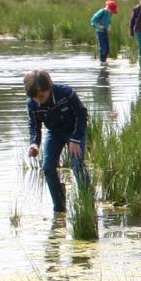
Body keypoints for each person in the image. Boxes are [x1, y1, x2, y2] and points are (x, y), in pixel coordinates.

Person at [24, 70, 90, 215]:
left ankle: (88, 201)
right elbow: (35, 127)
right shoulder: (32, 104)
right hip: (54, 133)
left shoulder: (66, 93)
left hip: (74, 130)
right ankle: (59, 208)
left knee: (77, 164)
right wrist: (34, 144)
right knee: (47, 168)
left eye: (41, 96)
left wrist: (76, 139)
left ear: (50, 87)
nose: (39, 101)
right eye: (35, 98)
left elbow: (82, 113)